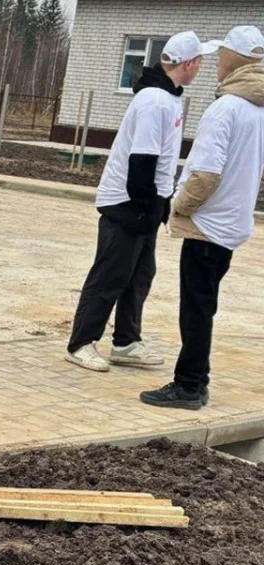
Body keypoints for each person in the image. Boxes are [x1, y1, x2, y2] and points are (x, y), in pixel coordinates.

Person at [65, 32, 211, 373]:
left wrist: (161, 202)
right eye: (199, 62)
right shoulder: (154, 101)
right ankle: (81, 343)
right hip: (128, 204)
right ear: (189, 63)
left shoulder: (168, 98)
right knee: (110, 274)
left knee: (139, 274)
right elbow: (142, 159)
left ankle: (126, 341)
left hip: (146, 204)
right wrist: (146, 204)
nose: (200, 68)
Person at [141, 26, 264, 410]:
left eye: (221, 55)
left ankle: (189, 385)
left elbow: (206, 174)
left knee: (195, 307)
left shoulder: (225, 108)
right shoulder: (258, 110)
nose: (216, 63)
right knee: (204, 303)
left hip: (208, 225)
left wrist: (179, 206)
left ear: (233, 60)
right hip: (232, 222)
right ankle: (198, 379)